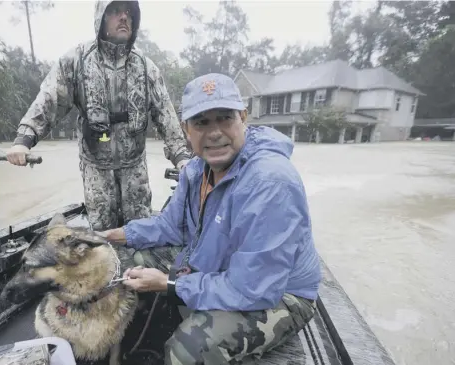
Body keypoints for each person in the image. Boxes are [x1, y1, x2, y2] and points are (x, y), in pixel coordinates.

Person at [100, 73, 322, 364]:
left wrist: (171, 285)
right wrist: (108, 236)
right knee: (127, 263)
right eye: (202, 122)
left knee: (190, 348)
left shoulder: (271, 182)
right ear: (186, 129)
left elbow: (254, 287)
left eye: (225, 118)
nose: (214, 132)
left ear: (243, 117)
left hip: (279, 292)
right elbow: (169, 227)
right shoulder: (195, 170)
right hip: (223, 266)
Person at [5, 0, 191, 236]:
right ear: (101, 18)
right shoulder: (77, 61)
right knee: (103, 236)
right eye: (115, 11)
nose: (124, 18)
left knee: (141, 233)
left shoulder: (146, 67)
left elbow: (166, 115)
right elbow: (50, 100)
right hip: (96, 168)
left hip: (135, 168)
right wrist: (24, 140)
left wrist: (182, 158)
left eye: (128, 13)